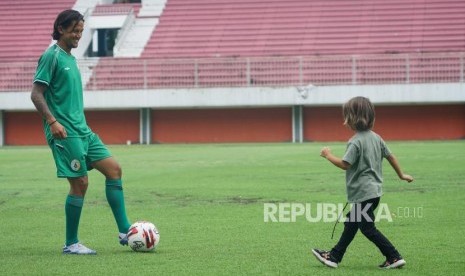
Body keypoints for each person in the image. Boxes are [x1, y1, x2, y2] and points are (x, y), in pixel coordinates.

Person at [30, 9, 132, 255]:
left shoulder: (71, 58)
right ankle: (71, 243)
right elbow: (36, 94)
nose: (78, 35)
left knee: (114, 170)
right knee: (80, 184)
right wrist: (53, 122)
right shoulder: (51, 56)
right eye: (75, 30)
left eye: (81, 31)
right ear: (61, 28)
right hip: (65, 133)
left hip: (83, 131)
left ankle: (125, 230)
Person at [311, 96, 414, 269]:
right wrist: (401, 174)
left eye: (346, 117)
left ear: (352, 118)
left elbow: (345, 164)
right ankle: (334, 256)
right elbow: (390, 156)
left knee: (367, 228)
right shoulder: (376, 138)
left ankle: (394, 256)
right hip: (374, 193)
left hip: (363, 194)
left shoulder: (355, 141)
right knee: (351, 224)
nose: (344, 121)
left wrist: (328, 155)